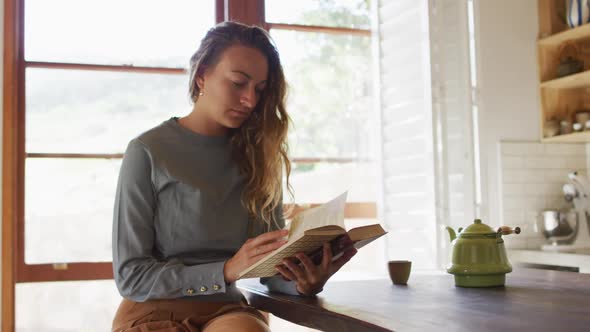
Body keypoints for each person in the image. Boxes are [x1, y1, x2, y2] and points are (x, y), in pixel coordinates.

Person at [111, 21, 357, 332]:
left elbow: (272, 272)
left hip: (227, 311)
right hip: (153, 311)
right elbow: (131, 276)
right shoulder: (147, 151)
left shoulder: (259, 159)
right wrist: (225, 270)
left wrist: (305, 283)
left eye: (260, 89)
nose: (250, 101)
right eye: (238, 83)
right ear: (202, 75)